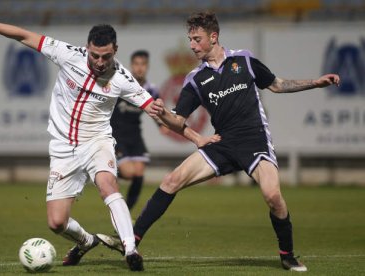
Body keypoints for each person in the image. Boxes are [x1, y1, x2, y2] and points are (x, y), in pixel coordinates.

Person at [106, 12, 340, 272]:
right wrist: (162, 113)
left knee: (273, 196)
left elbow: (276, 85)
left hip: (255, 141)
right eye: (190, 39)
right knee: (172, 180)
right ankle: (131, 242)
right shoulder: (195, 79)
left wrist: (315, 83)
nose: (192, 45)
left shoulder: (245, 60)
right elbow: (178, 121)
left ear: (213, 37)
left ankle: (287, 255)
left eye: (197, 39)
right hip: (222, 143)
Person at [0, 8, 176, 271]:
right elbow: (23, 36)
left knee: (107, 184)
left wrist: (194, 136)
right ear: (87, 48)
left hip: (97, 141)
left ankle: (130, 249)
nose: (100, 62)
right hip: (63, 149)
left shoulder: (123, 79)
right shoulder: (68, 54)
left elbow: (156, 111)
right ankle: (86, 241)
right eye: (95, 55)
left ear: (115, 49)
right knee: (56, 222)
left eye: (106, 56)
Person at [110, 50, 166, 211]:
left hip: (135, 134)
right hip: (117, 134)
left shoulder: (151, 89)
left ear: (147, 67)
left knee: (139, 173)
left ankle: (127, 212)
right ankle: (106, 170)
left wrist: (161, 125)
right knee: (129, 173)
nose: (139, 68)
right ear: (131, 66)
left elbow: (156, 110)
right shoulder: (122, 85)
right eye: (136, 64)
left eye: (142, 64)